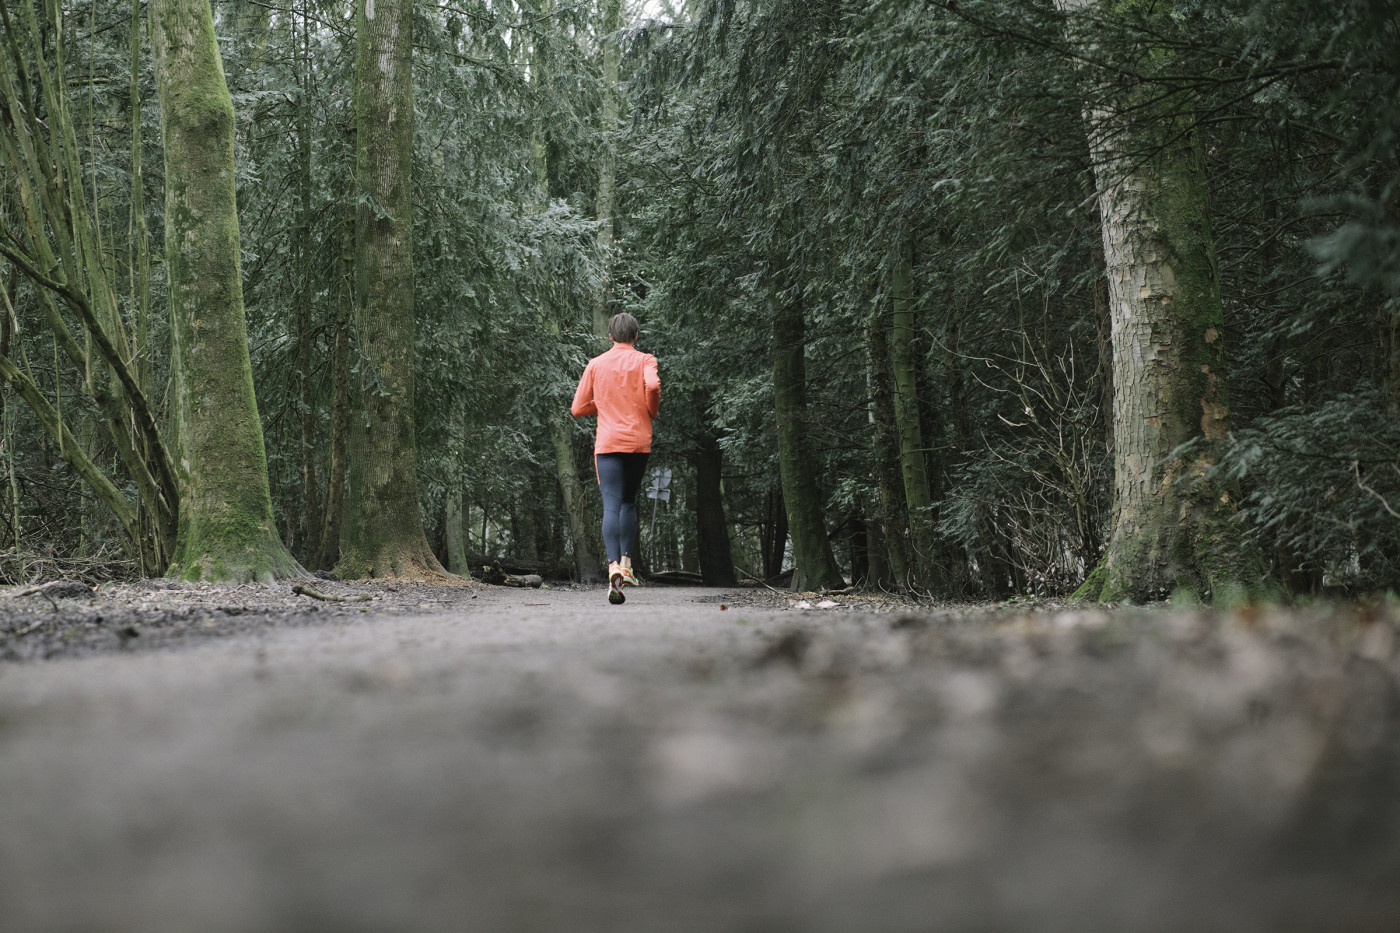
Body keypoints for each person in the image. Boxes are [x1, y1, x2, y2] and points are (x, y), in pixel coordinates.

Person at [571, 312, 661, 604]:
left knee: (610, 505)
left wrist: (605, 403)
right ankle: (626, 564)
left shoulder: (596, 364)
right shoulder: (645, 359)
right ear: (636, 336)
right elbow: (654, 387)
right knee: (628, 502)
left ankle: (612, 568)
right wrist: (650, 409)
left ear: (610, 336)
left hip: (608, 443)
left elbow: (578, 407)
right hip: (637, 442)